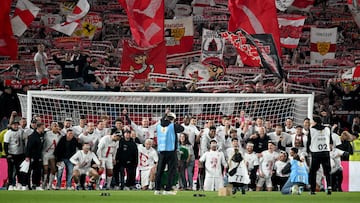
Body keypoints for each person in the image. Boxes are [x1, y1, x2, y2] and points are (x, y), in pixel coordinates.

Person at [154, 111, 184, 195]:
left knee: (159, 170)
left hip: (161, 151)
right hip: (171, 151)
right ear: (173, 119)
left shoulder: (159, 126)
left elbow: (162, 122)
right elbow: (182, 128)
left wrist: (164, 116)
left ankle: (157, 189)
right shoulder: (172, 126)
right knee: (171, 171)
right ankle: (167, 189)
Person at [307, 116, 333, 195]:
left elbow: (309, 142)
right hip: (325, 152)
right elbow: (331, 141)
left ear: (315, 122)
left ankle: (312, 190)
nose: (311, 123)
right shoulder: (327, 129)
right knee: (327, 171)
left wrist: (308, 151)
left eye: (312, 121)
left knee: (313, 172)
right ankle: (329, 187)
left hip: (316, 153)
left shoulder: (311, 130)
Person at [3, 120, 27, 190]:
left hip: (20, 153)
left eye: (17, 125)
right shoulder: (8, 133)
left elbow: (25, 139)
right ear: (11, 125)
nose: (16, 126)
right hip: (11, 154)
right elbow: (5, 144)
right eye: (14, 125)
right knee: (10, 170)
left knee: (19, 169)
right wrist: (7, 154)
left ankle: (19, 183)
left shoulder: (21, 131)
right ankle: (10, 184)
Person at [25, 122, 45, 190]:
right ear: (38, 128)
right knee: (30, 171)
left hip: (39, 156)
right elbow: (28, 147)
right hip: (32, 156)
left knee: (38, 171)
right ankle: (28, 185)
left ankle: (37, 185)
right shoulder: (32, 136)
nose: (43, 129)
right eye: (42, 128)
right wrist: (27, 156)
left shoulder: (42, 135)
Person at [42, 122, 62, 190]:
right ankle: (44, 184)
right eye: (54, 126)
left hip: (53, 154)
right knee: (45, 169)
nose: (56, 127)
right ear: (51, 127)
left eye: (57, 126)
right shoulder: (47, 134)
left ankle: (50, 185)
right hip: (45, 153)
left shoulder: (60, 135)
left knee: (53, 169)